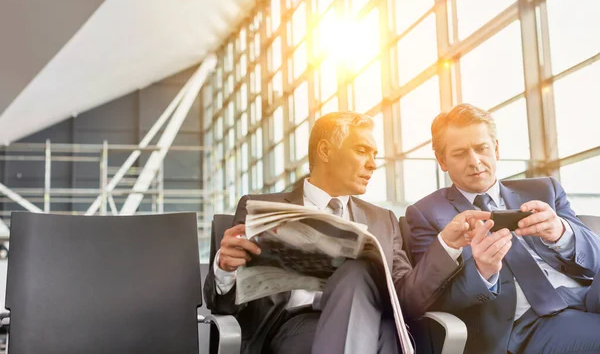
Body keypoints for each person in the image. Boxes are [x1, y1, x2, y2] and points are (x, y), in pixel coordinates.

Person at [204, 111, 480, 354]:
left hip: (377, 323)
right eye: (362, 151)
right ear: (325, 151)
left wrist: (445, 244)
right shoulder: (264, 209)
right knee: (356, 272)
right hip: (297, 327)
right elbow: (225, 304)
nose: (373, 164)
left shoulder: (382, 220)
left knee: (359, 277)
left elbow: (406, 299)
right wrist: (225, 269)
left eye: (374, 155)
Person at [406, 103, 600, 354]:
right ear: (442, 160)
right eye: (460, 153)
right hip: (529, 323)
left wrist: (562, 233)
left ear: (496, 149)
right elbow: (427, 300)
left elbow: (596, 258)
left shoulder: (545, 189)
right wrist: (483, 273)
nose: (474, 161)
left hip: (588, 295)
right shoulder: (426, 214)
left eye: (481, 148)